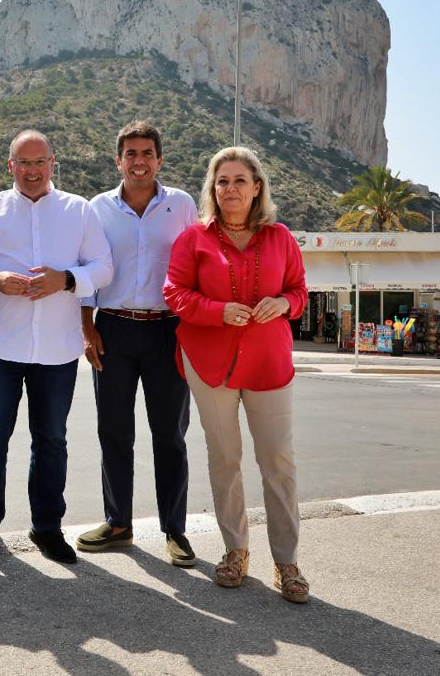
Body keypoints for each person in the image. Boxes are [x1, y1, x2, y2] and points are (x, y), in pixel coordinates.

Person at [0, 129, 112, 563]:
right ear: (11, 167)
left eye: (40, 162)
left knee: (51, 440)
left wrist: (67, 279)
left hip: (58, 352)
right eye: (24, 162)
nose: (32, 170)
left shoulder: (78, 210)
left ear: (52, 164)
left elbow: (104, 267)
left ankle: (47, 528)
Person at [163, 146, 310, 604]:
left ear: (257, 187)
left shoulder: (281, 237)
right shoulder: (194, 238)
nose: (230, 189)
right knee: (225, 458)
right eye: (221, 181)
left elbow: (300, 291)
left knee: (278, 462)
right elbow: (174, 293)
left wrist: (285, 303)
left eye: (239, 180)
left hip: (269, 364)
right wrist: (216, 311)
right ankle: (235, 551)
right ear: (212, 189)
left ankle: (286, 560)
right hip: (209, 365)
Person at [76, 122, 199, 565]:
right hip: (113, 328)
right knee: (113, 431)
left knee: (170, 434)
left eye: (147, 152)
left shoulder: (182, 205)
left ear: (159, 160)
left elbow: (197, 266)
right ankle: (119, 524)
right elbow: (86, 268)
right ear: (118, 160)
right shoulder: (97, 209)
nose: (139, 160)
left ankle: (175, 531)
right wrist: (87, 329)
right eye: (130, 153)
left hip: (168, 330)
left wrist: (191, 332)